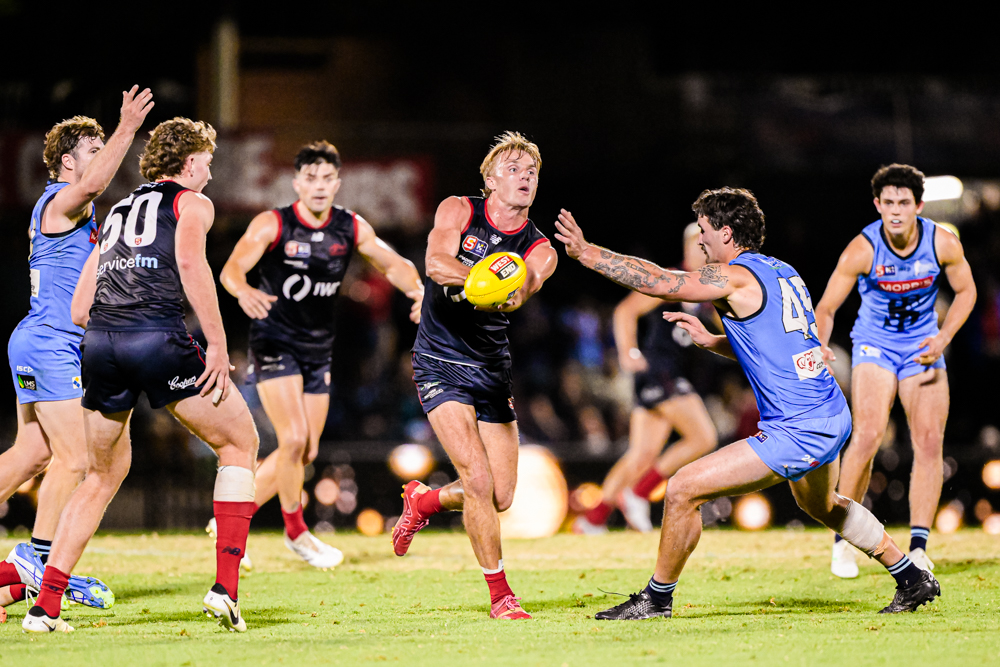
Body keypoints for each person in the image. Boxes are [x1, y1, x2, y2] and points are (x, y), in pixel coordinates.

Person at [555, 187, 940, 620]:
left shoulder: (733, 276)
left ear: (726, 232)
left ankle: (655, 599)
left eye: (704, 230)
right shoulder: (782, 271)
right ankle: (911, 577)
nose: (700, 240)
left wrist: (587, 253)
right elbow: (775, 345)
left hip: (798, 426)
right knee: (822, 505)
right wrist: (714, 341)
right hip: (830, 411)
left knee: (681, 490)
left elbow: (661, 282)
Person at [23, 117, 259, 633]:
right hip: (156, 338)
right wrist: (218, 344)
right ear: (190, 163)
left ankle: (44, 608)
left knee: (100, 475)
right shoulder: (192, 203)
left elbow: (80, 308)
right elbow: (192, 266)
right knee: (240, 444)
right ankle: (225, 589)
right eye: (208, 163)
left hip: (101, 345)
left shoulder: (116, 211)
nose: (210, 173)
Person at [218, 141, 423, 569]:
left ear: (337, 183)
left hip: (317, 349)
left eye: (326, 178)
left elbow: (391, 263)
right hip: (274, 341)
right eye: (310, 178)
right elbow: (232, 269)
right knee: (292, 440)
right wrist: (244, 291)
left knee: (305, 451)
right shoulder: (273, 223)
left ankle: (231, 519)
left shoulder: (349, 227)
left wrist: (418, 290)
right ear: (296, 183)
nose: (318, 186)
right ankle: (297, 533)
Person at [390, 131, 558, 620]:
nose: (524, 177)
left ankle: (423, 502)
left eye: (531, 172)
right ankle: (501, 596)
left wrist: (508, 291)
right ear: (490, 180)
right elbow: (436, 263)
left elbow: (523, 289)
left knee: (501, 495)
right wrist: (481, 279)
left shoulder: (541, 247)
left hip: (490, 368)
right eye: (513, 169)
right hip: (439, 360)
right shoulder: (458, 209)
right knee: (477, 479)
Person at [0, 87, 154, 610]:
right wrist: (126, 128)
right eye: (93, 149)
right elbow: (94, 182)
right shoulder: (62, 199)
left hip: (40, 342)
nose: (101, 158)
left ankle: (39, 561)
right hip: (48, 345)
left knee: (32, 454)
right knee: (77, 458)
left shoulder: (80, 216)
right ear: (67, 161)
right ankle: (40, 561)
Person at [814, 164, 976, 578]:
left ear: (918, 206)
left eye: (904, 203)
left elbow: (967, 291)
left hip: (922, 347)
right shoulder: (862, 249)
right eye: (888, 203)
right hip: (875, 346)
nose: (896, 211)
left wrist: (943, 337)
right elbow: (827, 307)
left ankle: (919, 548)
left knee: (929, 442)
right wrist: (820, 343)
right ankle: (843, 542)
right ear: (877, 205)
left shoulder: (942, 242)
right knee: (868, 436)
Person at [574, 223, 718, 534]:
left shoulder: (708, 290)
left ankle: (592, 520)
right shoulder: (672, 279)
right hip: (659, 371)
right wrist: (628, 352)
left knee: (640, 456)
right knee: (703, 437)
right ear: (686, 248)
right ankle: (638, 493)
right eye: (697, 245)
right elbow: (625, 311)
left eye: (705, 245)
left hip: (667, 374)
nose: (702, 251)